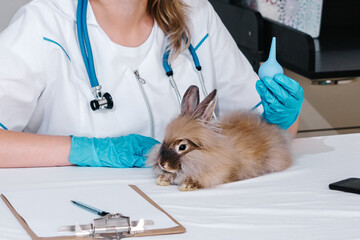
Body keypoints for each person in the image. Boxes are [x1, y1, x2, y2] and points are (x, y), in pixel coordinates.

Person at [0, 0, 303, 168]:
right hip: (83, 215)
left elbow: (275, 134)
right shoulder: (43, 25)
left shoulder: (197, 15)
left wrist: (279, 118)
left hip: (196, 211)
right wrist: (85, 150)